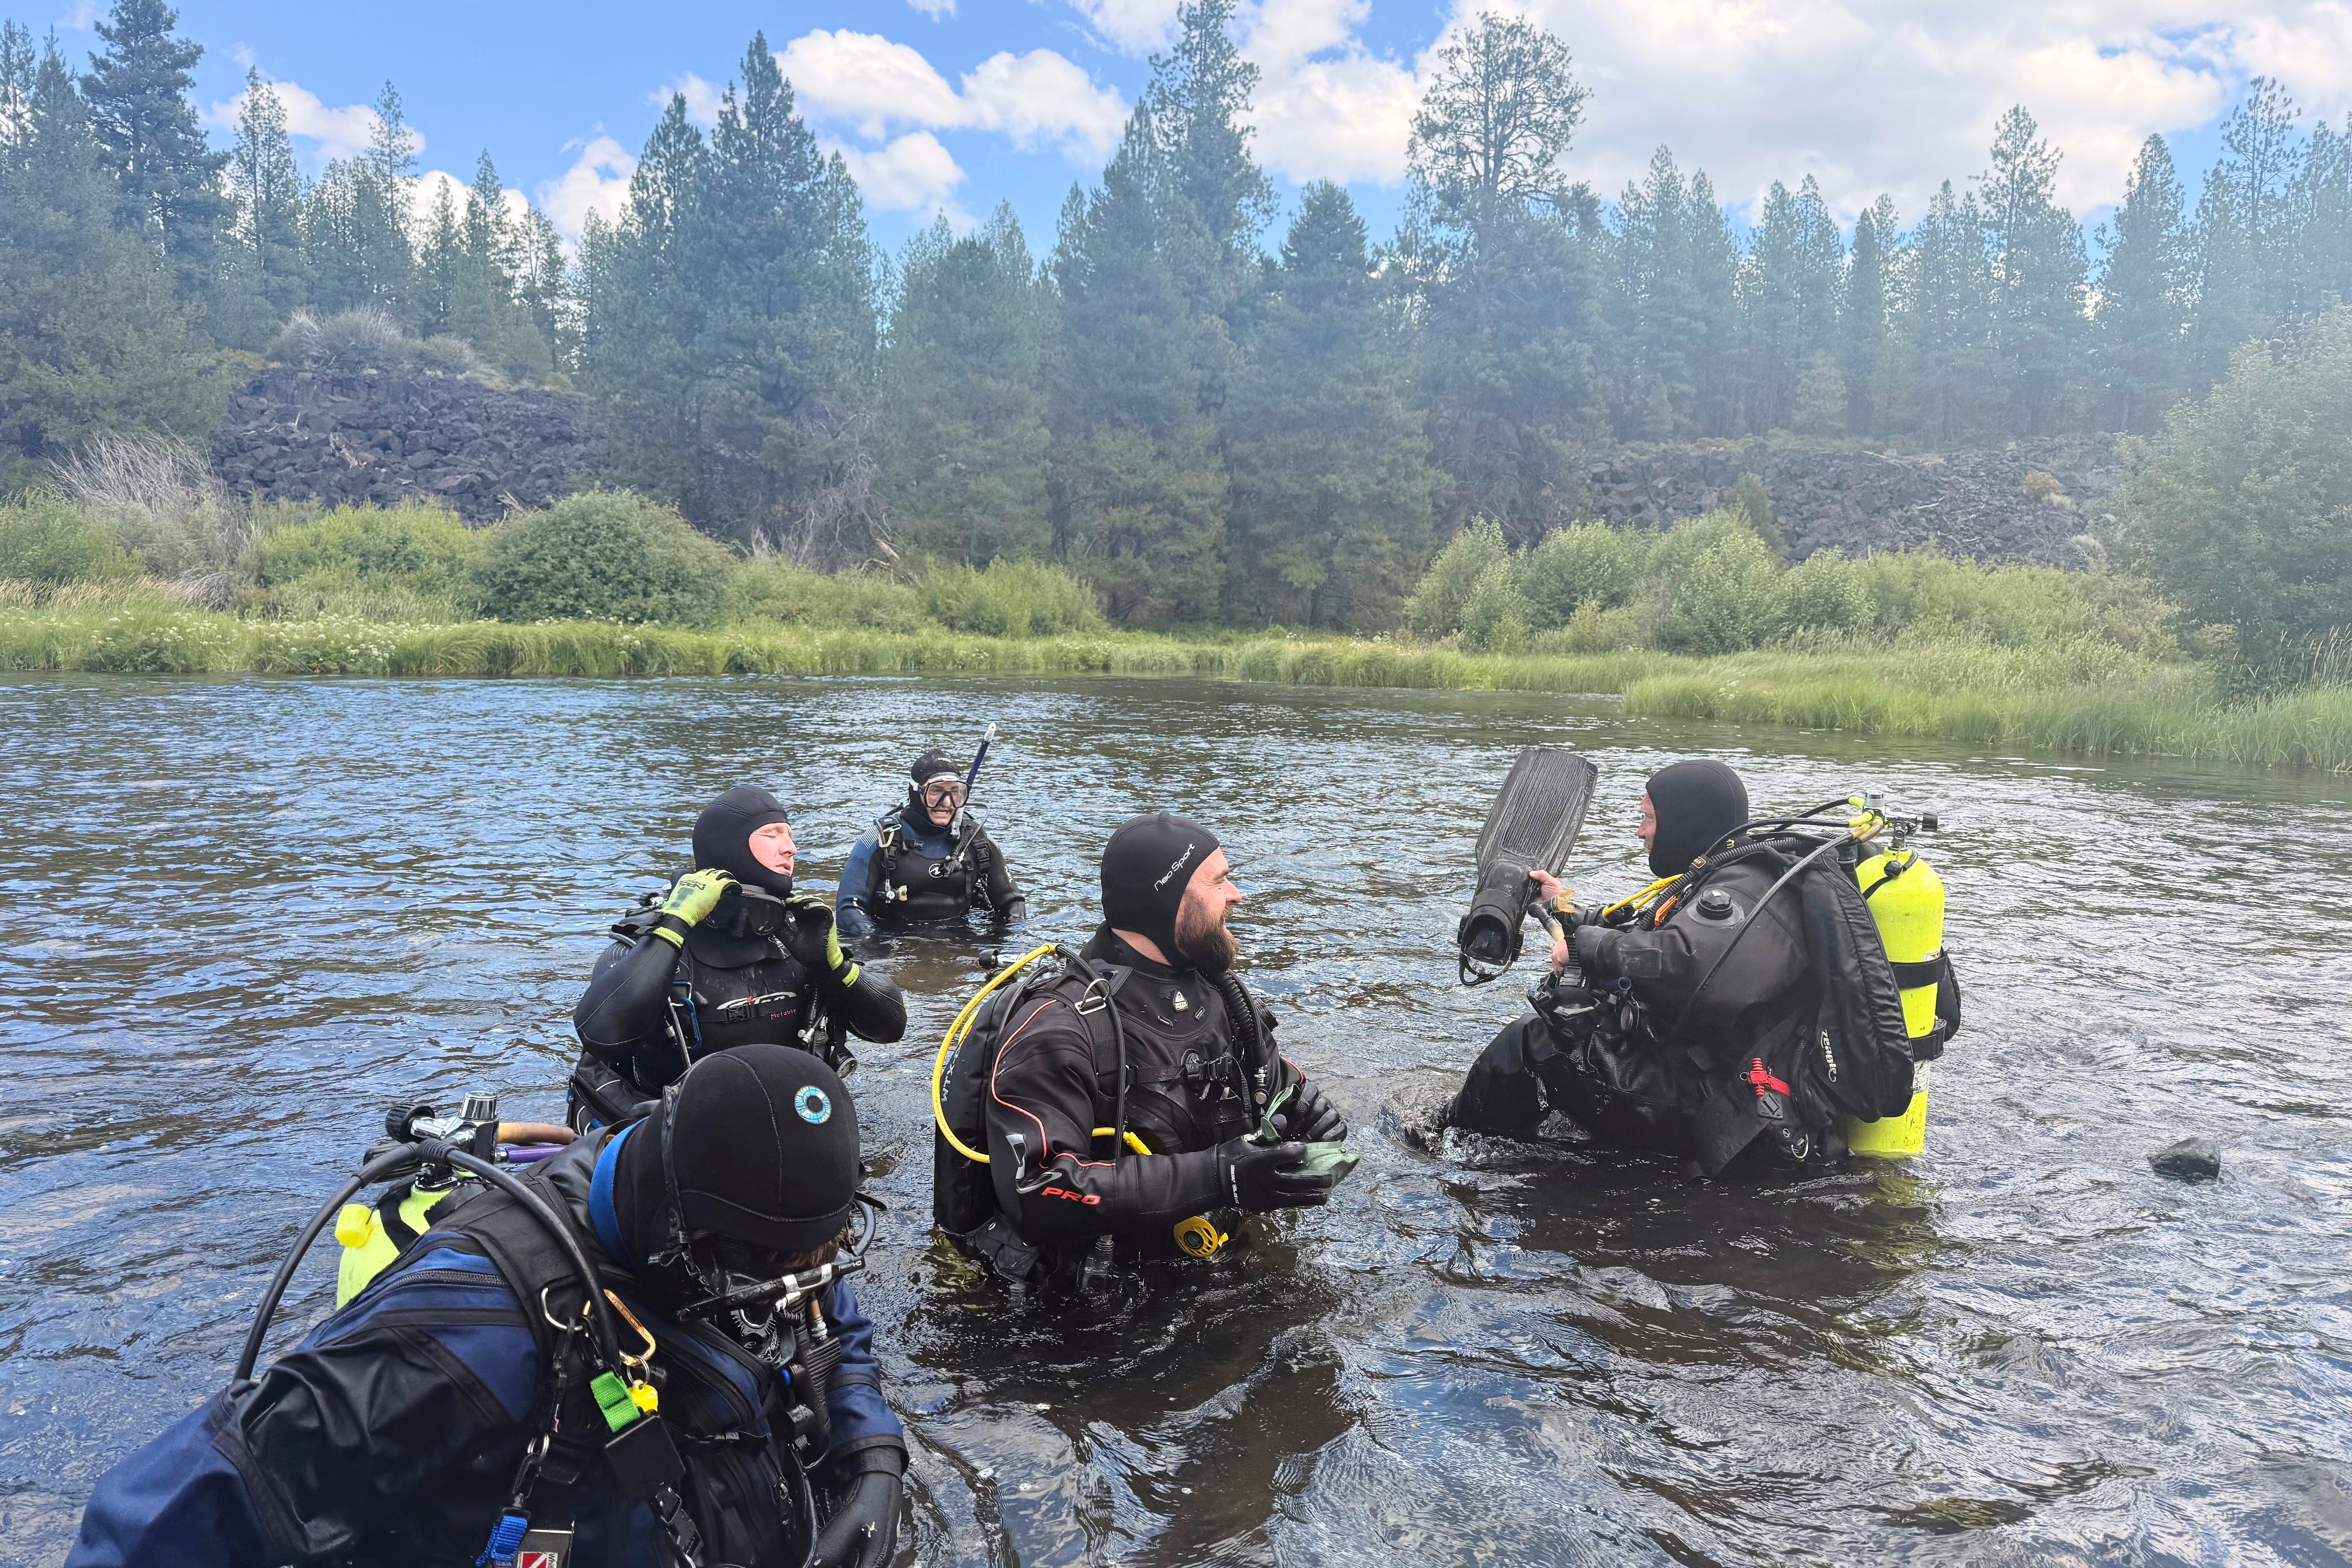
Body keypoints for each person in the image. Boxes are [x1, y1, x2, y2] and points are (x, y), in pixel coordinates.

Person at [68, 1045, 907, 1568]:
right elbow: (204, 1489)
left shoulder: (759, 1235)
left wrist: (873, 1460)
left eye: (823, 1253)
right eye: (776, 1261)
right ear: (678, 1227)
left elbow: (832, 1324)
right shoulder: (469, 1326)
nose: (803, 1277)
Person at [938, 811, 1349, 1288]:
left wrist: (1305, 1109)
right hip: (1093, 1314)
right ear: (1167, 898)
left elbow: (1266, 1080)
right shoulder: (1057, 1028)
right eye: (1219, 882)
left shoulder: (1220, 995)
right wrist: (1221, 1178)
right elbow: (1038, 1191)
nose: (1237, 895)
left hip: (1208, 1264)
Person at [1444, 760, 1916, 1175]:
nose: (1640, 831)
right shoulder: (1730, 872)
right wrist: (1563, 906)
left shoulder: (1749, 893)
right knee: (1569, 1025)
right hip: (1727, 1080)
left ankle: (1448, 1144)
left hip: (1739, 1114)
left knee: (1534, 1040)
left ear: (1685, 822)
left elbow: (1690, 966)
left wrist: (1585, 949)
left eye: (1648, 818)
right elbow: (1644, 929)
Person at [570, 786, 906, 1128]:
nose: (791, 848)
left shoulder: (798, 934)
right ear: (728, 847)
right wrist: (674, 926)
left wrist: (833, 964)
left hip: (791, 1123)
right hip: (676, 1137)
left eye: (789, 835)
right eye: (772, 834)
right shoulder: (648, 945)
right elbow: (601, 1038)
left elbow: (890, 1028)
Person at [836, 749, 1025, 938]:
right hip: (896, 942)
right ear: (917, 793)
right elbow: (849, 909)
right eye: (936, 791)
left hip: (962, 942)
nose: (947, 802)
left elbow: (1012, 902)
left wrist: (1009, 942)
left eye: (954, 792)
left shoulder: (976, 838)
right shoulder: (883, 838)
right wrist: (881, 948)